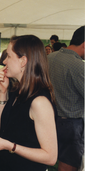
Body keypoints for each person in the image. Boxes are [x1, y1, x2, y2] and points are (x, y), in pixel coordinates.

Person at [0, 35, 58, 171]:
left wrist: (10, 146)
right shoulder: (18, 91)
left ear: (23, 61)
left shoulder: (39, 102)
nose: (4, 61)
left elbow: (50, 157)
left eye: (8, 56)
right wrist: (2, 93)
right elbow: (2, 128)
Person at [48, 26, 84, 171]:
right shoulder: (77, 66)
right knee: (68, 165)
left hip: (47, 117)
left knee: (44, 158)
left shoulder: (48, 58)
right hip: (70, 124)